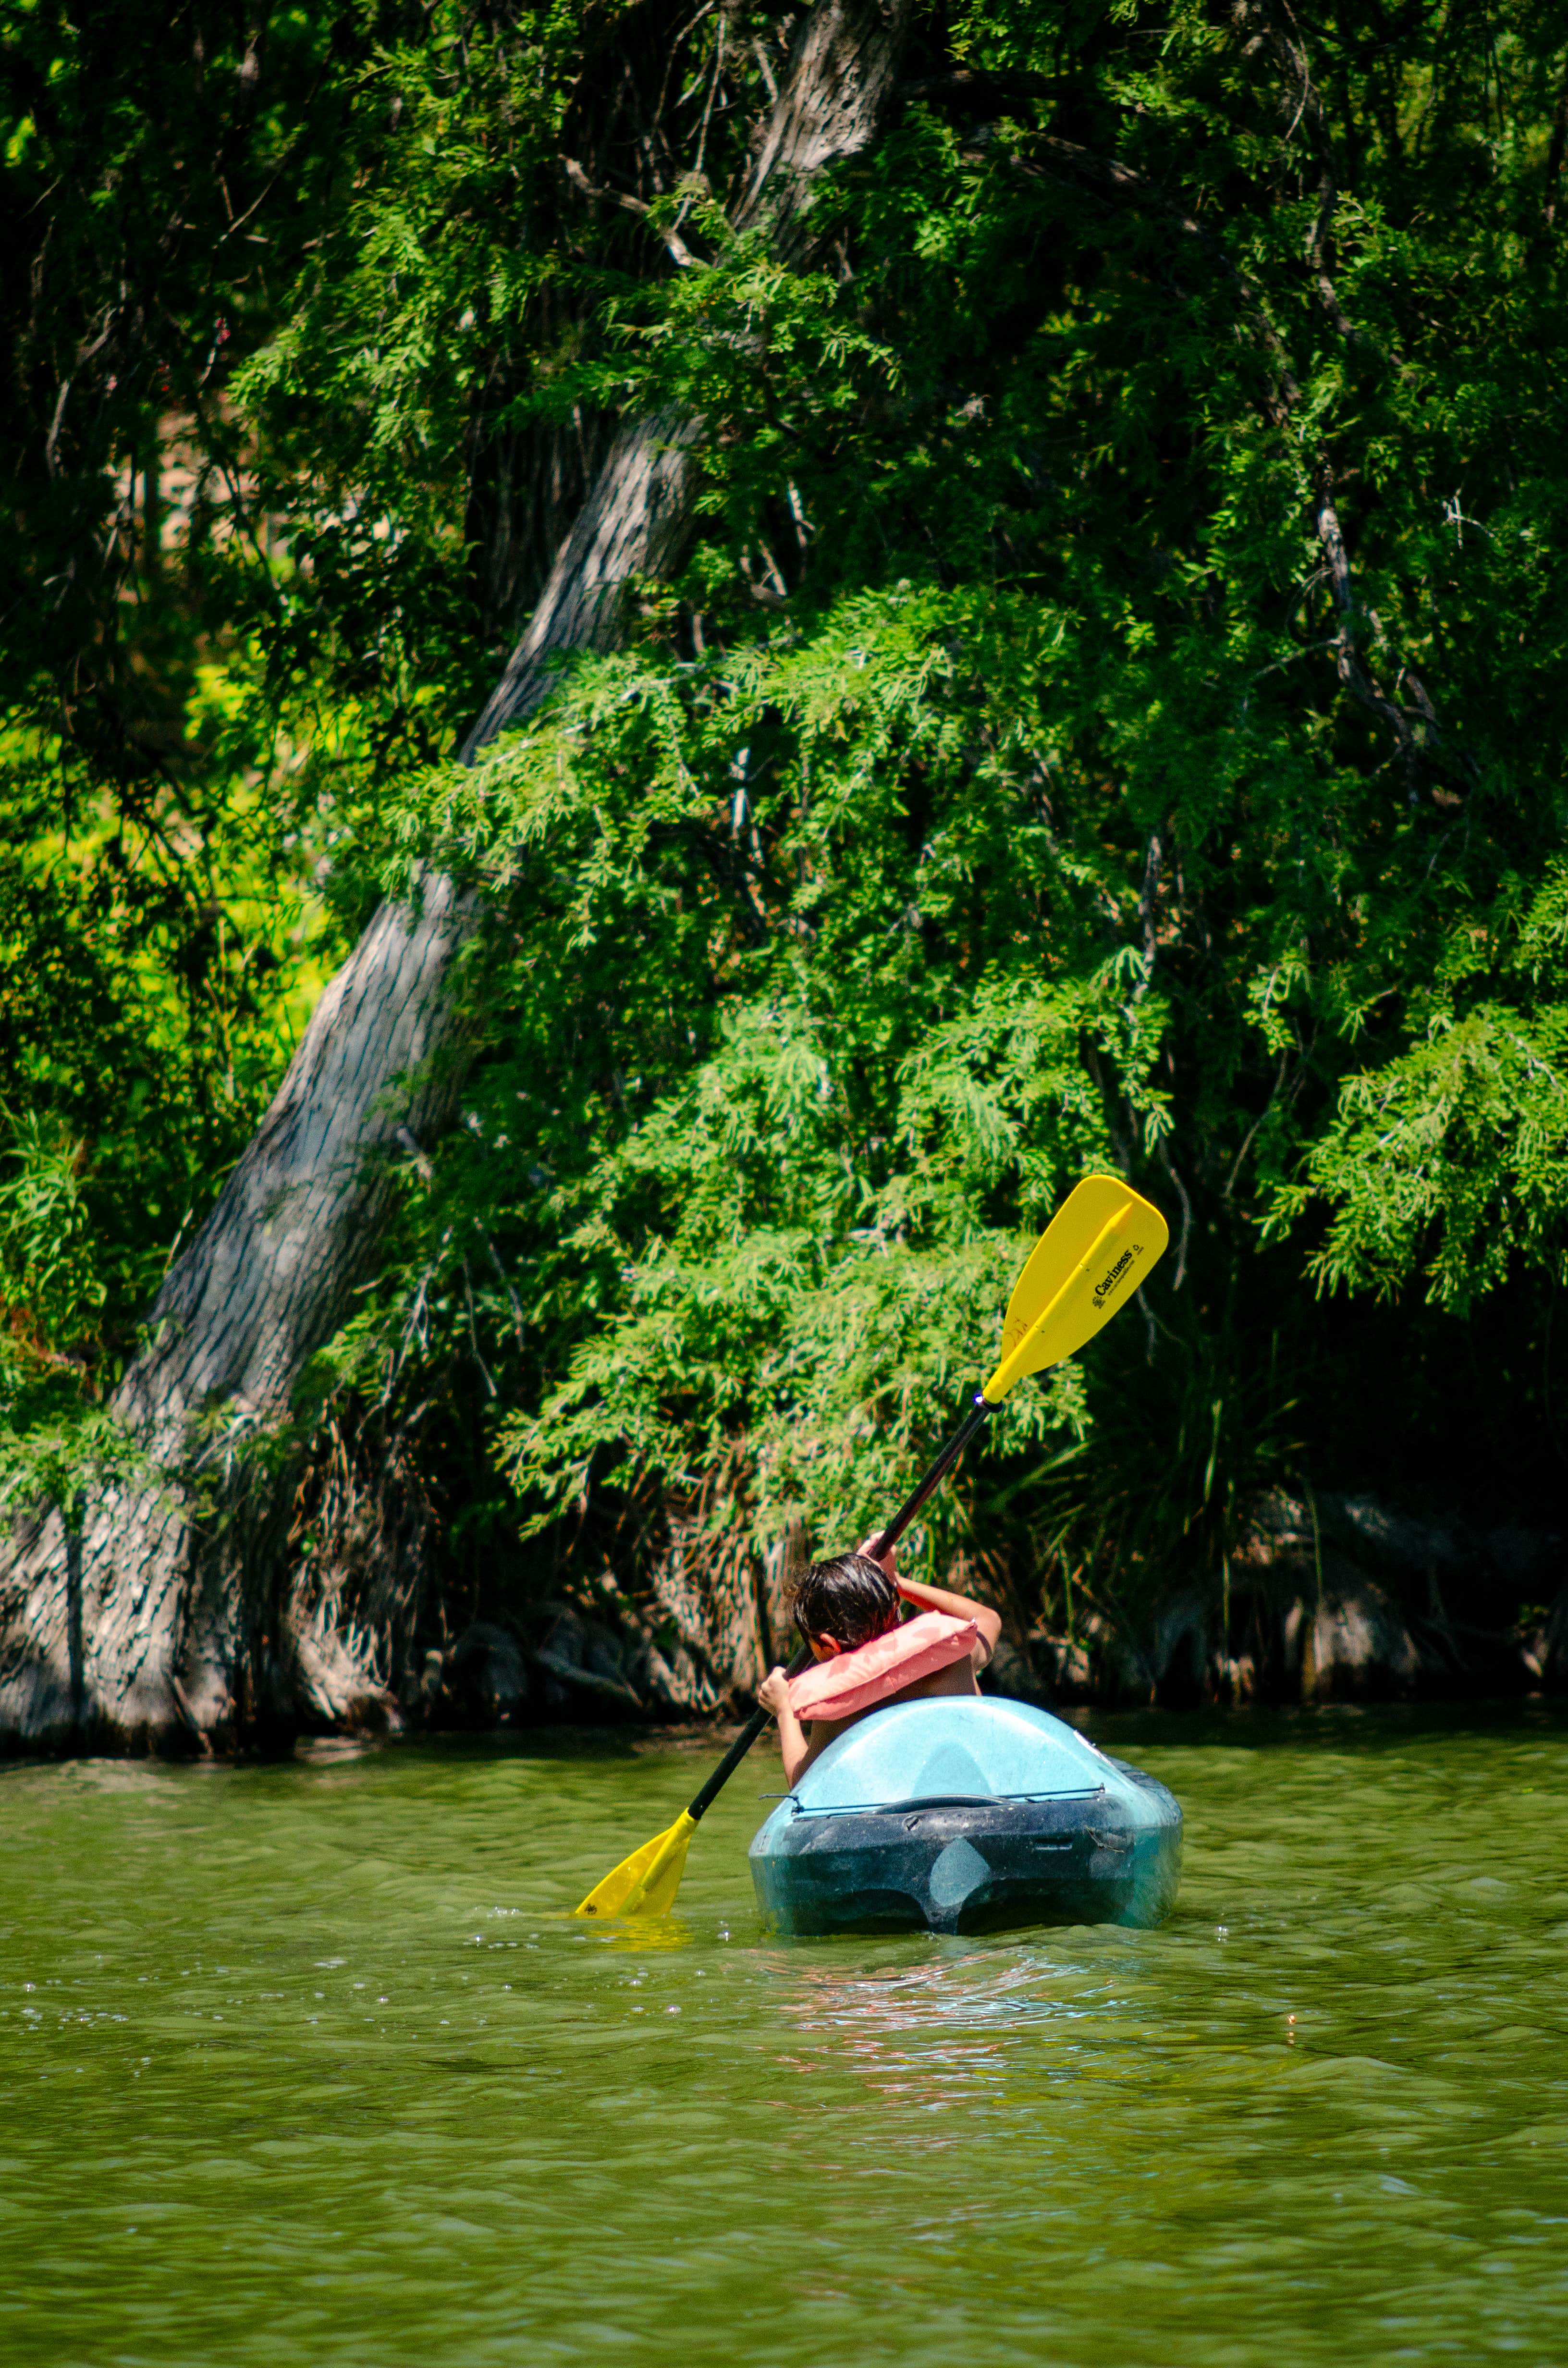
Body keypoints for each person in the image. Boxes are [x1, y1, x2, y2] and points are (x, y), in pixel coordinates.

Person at [757, 1538, 1003, 1787]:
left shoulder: (836, 1708)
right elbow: (987, 1618)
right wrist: (896, 1582)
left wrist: (784, 1710)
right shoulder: (953, 1659)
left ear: (828, 1644)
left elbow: (803, 1784)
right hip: (976, 1800)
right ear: (893, 1608)